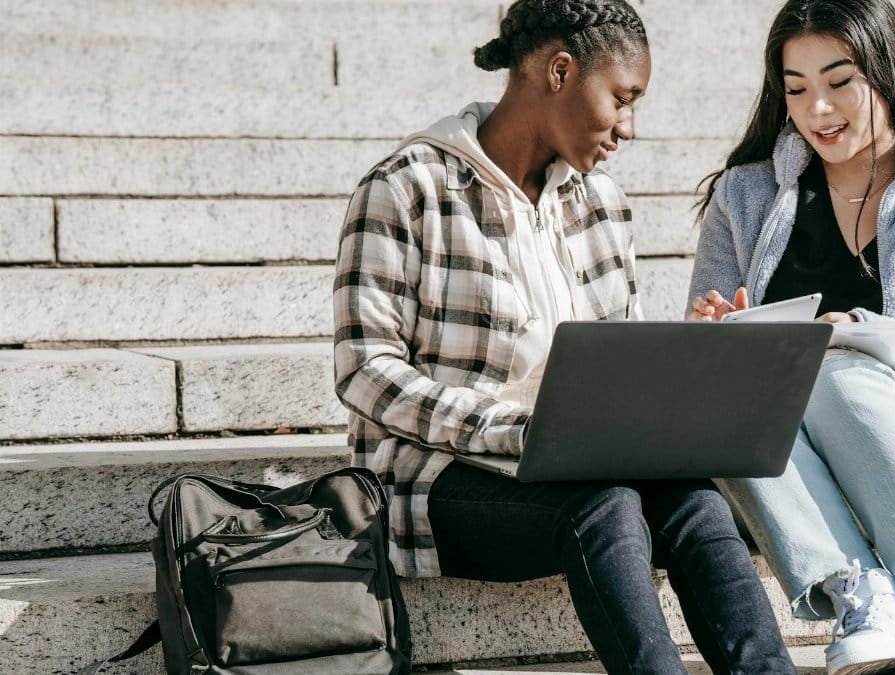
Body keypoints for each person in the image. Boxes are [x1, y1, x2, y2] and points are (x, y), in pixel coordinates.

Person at [333, 1, 795, 673]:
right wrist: (515, 429)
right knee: (603, 504)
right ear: (559, 70)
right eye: (622, 99)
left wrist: (690, 356)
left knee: (695, 499)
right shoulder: (408, 190)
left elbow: (617, 363)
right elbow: (364, 369)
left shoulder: (599, 201)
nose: (628, 128)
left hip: (582, 460)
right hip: (435, 477)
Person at [686, 1, 895, 674]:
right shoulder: (744, 195)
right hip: (799, 469)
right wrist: (712, 339)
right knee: (725, 395)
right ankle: (867, 598)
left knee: (833, 367)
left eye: (841, 81)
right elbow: (708, 348)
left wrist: (866, 337)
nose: (819, 108)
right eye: (796, 89)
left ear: (887, 68)